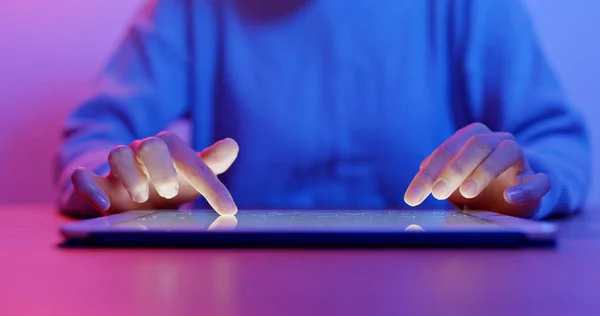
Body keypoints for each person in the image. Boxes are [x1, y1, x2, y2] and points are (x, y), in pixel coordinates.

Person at [55, 0, 590, 219]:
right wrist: (122, 183)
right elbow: (94, 135)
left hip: (440, 290)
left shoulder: (467, 6)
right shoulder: (192, 8)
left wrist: (522, 183)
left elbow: (560, 143)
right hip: (235, 287)